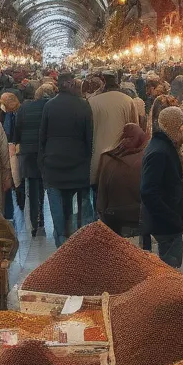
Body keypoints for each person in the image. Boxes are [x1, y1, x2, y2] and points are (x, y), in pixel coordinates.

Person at [39, 72, 94, 248]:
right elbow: (89, 137)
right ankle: (82, 246)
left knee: (58, 211)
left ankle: (62, 247)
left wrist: (43, 162)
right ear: (70, 84)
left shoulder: (49, 106)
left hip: (53, 167)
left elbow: (43, 137)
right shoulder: (84, 105)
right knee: (80, 207)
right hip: (78, 166)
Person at [140, 106, 183, 268]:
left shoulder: (162, 145)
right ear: (173, 125)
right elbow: (148, 192)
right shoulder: (160, 152)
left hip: (167, 223)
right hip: (166, 226)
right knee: (169, 272)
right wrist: (172, 217)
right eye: (180, 125)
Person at [89, 73, 138, 213]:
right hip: (120, 160)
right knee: (118, 201)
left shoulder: (92, 102)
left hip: (96, 160)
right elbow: (134, 130)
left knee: (98, 199)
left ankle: (99, 226)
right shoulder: (128, 101)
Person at [13, 83, 52, 235]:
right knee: (45, 185)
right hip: (45, 152)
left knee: (33, 188)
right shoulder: (49, 107)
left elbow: (17, 130)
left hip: (27, 152)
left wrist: (18, 144)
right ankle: (42, 218)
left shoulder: (23, 108)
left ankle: (36, 222)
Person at [96, 123, 148, 235]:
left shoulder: (108, 160)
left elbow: (101, 197)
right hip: (139, 217)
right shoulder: (145, 160)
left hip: (113, 218)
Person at [0, 92, 24, 222]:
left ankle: (18, 205)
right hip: (16, 148)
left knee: (15, 176)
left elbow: (7, 132)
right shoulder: (17, 112)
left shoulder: (8, 115)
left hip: (12, 148)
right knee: (16, 176)